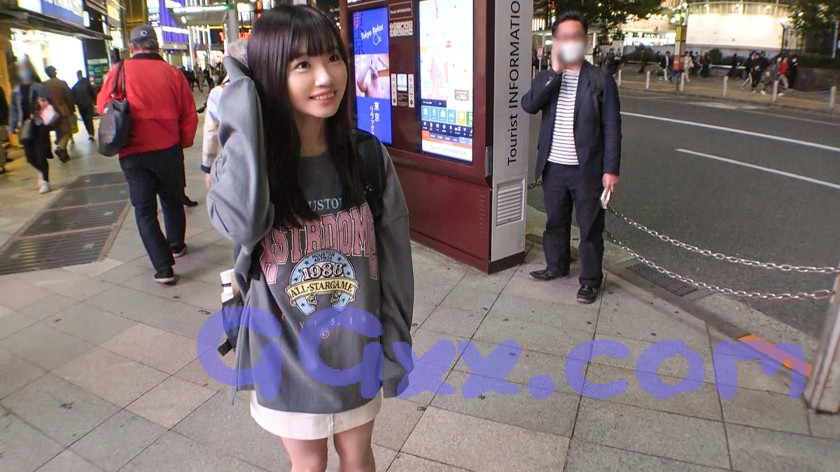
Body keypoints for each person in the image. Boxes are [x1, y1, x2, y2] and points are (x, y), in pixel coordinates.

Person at [206, 6, 414, 471]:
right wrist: (242, 90)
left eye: (332, 58)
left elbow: (396, 263)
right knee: (309, 465)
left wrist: (396, 346)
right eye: (302, 64)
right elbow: (241, 224)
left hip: (356, 349)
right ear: (269, 73)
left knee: (357, 458)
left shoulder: (365, 156)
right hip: (282, 353)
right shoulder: (253, 168)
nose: (325, 77)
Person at [521, 10, 622, 304]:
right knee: (555, 221)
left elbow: (612, 127)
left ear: (585, 39)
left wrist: (611, 170)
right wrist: (554, 72)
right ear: (556, 41)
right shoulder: (548, 77)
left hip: (587, 169)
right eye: (564, 37)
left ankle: (590, 280)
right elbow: (529, 104)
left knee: (590, 227)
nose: (570, 42)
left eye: (575, 36)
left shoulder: (599, 79)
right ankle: (556, 266)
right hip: (553, 166)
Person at [96, 25, 198, 284]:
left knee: (144, 211)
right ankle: (176, 244)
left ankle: (163, 268)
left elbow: (102, 106)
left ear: (131, 47)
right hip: (168, 149)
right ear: (156, 46)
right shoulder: (173, 73)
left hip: (133, 153)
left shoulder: (119, 71)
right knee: (172, 200)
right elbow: (189, 114)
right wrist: (183, 142)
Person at [9, 61, 54, 193]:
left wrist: (44, 103)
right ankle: (41, 172)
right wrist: (12, 126)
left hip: (40, 124)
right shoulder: (16, 91)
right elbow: (14, 110)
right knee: (30, 157)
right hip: (25, 126)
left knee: (40, 154)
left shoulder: (39, 87)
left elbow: (50, 102)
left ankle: (45, 181)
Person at [43, 66, 75, 162]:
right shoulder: (62, 83)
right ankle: (60, 148)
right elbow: (69, 97)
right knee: (67, 131)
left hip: (51, 112)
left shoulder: (44, 85)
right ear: (55, 72)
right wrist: (72, 109)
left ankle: (64, 154)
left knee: (59, 132)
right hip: (63, 111)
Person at [71, 70, 96, 141]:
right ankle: (91, 134)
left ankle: (90, 133)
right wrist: (93, 101)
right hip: (88, 104)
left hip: (81, 105)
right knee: (89, 119)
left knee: (85, 120)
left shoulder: (75, 86)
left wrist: (77, 103)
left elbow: (73, 98)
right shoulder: (87, 83)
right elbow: (92, 93)